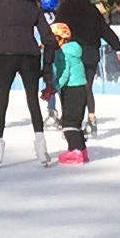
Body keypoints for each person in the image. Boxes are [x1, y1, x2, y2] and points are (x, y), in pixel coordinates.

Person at [0, 0, 50, 165]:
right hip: (29, 53)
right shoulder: (32, 4)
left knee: (2, 101)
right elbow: (46, 35)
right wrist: (46, 66)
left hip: (4, 53)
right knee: (33, 101)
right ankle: (41, 147)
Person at [48, 14, 94, 163]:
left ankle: (75, 150)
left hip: (71, 89)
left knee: (68, 123)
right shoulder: (74, 50)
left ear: (61, 39)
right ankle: (82, 150)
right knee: (76, 121)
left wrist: (54, 86)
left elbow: (63, 72)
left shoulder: (63, 53)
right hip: (81, 88)